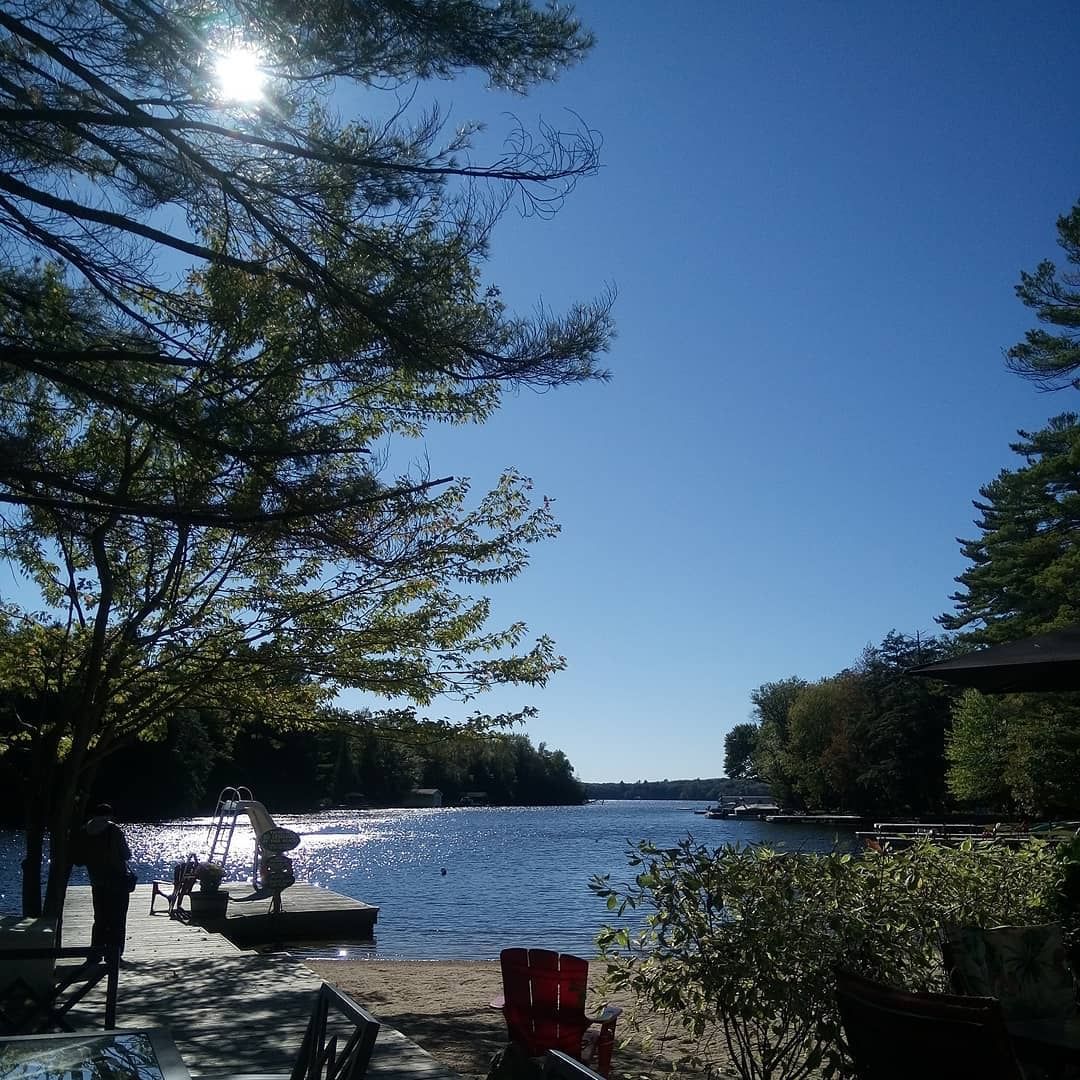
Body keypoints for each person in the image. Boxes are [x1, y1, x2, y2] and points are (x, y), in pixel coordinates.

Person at [80, 802, 132, 956]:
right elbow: (126, 854)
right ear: (109, 815)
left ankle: (96, 952)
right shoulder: (113, 830)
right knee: (118, 919)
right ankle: (114, 954)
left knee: (100, 918)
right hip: (117, 881)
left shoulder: (85, 831)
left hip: (96, 880)